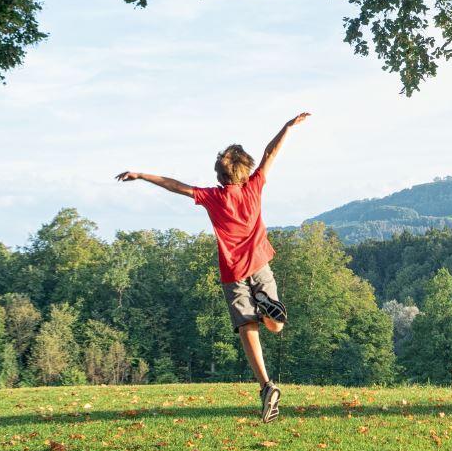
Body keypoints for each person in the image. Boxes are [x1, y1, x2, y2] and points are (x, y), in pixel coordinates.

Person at [115, 112, 311, 422]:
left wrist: (141, 175)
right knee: (277, 326)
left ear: (220, 176)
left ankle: (266, 385)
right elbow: (270, 153)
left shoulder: (213, 197)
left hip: (233, 271)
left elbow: (175, 186)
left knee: (247, 327)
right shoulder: (254, 186)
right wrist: (287, 127)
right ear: (244, 172)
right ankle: (267, 308)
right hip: (260, 263)